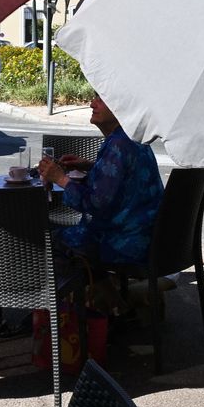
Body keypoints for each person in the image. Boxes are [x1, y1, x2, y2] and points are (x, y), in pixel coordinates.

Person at [36, 94, 164, 277]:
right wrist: (90, 166)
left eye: (100, 99)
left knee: (45, 242)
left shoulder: (118, 145)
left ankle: (69, 301)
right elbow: (124, 180)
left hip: (122, 242)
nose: (91, 104)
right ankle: (97, 293)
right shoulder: (132, 137)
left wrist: (60, 179)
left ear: (119, 107)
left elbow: (96, 204)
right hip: (146, 235)